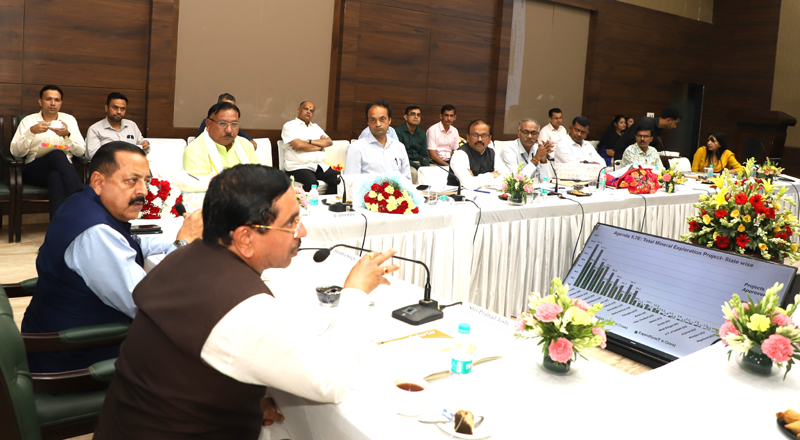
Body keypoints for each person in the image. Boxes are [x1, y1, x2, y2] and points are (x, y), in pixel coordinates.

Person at [93, 164, 400, 439]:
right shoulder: (245, 309)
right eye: (292, 222)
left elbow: (181, 370)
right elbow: (330, 383)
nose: (303, 231)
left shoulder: (182, 256)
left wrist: (238, 405)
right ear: (245, 239)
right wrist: (356, 292)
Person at [21, 142, 203, 373]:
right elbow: (148, 302)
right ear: (98, 182)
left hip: (54, 336)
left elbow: (131, 244)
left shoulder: (81, 202)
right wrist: (182, 244)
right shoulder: (96, 233)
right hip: (75, 360)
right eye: (131, 181)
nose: (143, 191)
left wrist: (184, 234)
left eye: (146, 181)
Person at [10, 85, 86, 219]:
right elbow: (16, 152)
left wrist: (66, 135)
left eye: (57, 100)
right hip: (35, 170)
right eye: (48, 99)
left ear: (61, 103)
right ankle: (81, 195)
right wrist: (31, 132)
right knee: (57, 154)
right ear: (40, 101)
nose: (53, 103)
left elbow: (80, 152)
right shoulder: (28, 121)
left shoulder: (69, 120)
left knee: (55, 177)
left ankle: (57, 227)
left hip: (64, 172)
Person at [184, 102, 260, 173]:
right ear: (208, 124)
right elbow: (200, 182)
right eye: (222, 123)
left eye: (234, 124)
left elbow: (259, 177)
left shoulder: (246, 144)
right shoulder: (195, 150)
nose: (229, 130)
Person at [344, 100, 411, 181]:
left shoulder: (399, 147)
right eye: (373, 120)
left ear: (389, 120)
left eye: (382, 119)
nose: (378, 124)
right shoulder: (356, 148)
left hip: (397, 189)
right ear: (368, 122)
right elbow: (350, 182)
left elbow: (407, 180)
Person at [281, 101, 339, 194]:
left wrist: (309, 141)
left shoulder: (315, 127)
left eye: (311, 110)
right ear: (299, 110)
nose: (309, 112)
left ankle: (326, 201)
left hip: (318, 165)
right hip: (298, 166)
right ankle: (305, 202)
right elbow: (298, 145)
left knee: (339, 179)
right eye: (306, 109)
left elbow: (329, 142)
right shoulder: (290, 126)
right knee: (312, 183)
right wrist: (319, 147)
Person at [86, 92, 150, 159]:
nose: (119, 112)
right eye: (115, 107)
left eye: (122, 109)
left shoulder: (132, 125)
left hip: (132, 163)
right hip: (108, 164)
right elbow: (94, 156)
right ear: (106, 108)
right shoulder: (95, 129)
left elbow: (143, 149)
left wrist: (145, 146)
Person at [448, 119, 509, 189]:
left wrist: (475, 179)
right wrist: (492, 175)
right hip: (460, 195)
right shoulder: (459, 154)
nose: (479, 139)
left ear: (490, 138)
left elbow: (507, 177)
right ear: (468, 137)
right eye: (475, 135)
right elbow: (469, 184)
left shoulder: (492, 153)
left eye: (484, 135)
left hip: (488, 193)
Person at [614, 108, 681, 161]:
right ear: (669, 120)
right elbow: (632, 144)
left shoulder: (658, 129)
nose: (675, 126)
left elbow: (652, 149)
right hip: (626, 157)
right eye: (675, 123)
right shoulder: (645, 123)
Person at [395, 106, 430, 184]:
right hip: (404, 163)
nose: (416, 117)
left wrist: (425, 167)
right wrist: (418, 167)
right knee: (413, 173)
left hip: (418, 162)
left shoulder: (422, 133)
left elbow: (424, 154)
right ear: (406, 117)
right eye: (413, 114)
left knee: (431, 172)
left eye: (418, 115)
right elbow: (400, 156)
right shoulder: (398, 131)